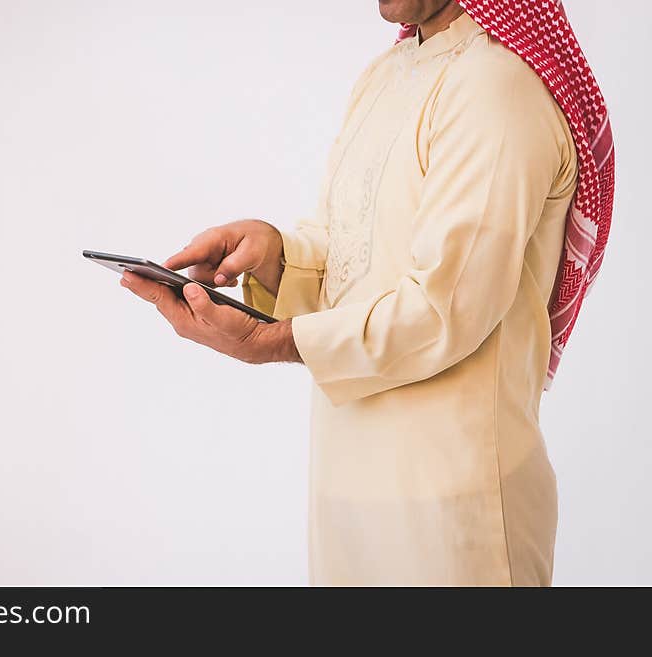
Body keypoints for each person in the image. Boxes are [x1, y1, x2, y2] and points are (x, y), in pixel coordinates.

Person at [119, 0, 614, 585]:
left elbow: (446, 307)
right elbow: (353, 251)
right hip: (347, 491)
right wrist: (276, 253)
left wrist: (270, 340)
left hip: (456, 505)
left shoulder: (499, 86)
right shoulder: (389, 72)